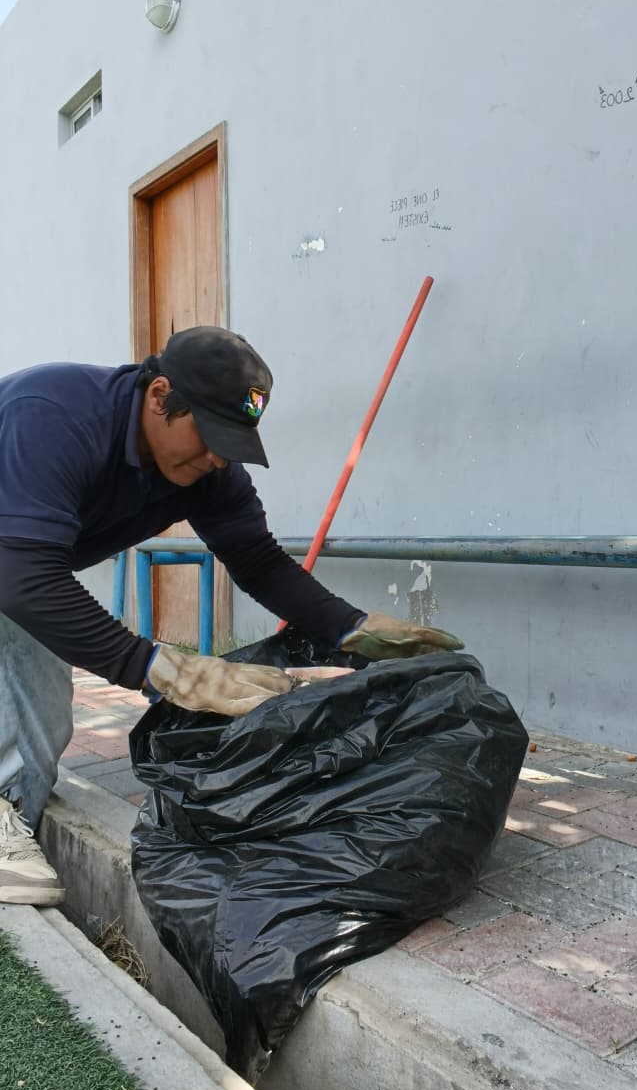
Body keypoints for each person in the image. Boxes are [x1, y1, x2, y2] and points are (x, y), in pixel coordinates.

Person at [0, 326, 463, 907]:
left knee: (38, 713)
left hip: (16, 565)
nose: (219, 457)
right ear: (160, 396)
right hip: (11, 563)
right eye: (211, 436)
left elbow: (259, 561)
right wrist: (160, 668)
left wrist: (352, 627)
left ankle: (14, 807)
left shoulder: (207, 471)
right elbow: (23, 577)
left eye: (233, 442)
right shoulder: (53, 416)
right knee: (25, 683)